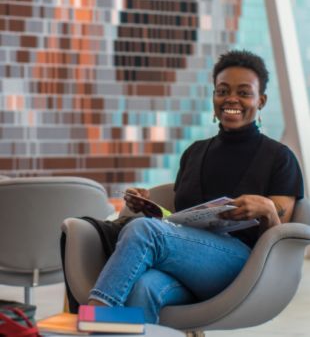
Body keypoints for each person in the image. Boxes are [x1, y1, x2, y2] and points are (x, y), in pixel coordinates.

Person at [88, 50, 304, 323]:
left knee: (143, 231)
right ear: (214, 97)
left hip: (240, 268)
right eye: (222, 91)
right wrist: (148, 208)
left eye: (244, 92)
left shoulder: (279, 157)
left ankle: (94, 319)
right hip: (189, 261)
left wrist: (269, 210)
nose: (231, 99)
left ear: (261, 101)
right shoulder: (194, 153)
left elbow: (279, 243)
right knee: (144, 287)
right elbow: (179, 223)